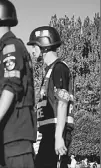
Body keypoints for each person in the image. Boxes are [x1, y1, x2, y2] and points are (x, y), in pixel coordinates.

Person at [0, 0, 37, 167]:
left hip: (16, 136)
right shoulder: (2, 50)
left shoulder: (11, 46)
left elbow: (12, 85)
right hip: (3, 137)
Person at [28, 26, 74, 168]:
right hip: (49, 133)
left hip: (57, 131)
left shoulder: (59, 68)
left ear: (44, 45)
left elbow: (62, 101)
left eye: (34, 46)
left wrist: (58, 137)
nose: (32, 50)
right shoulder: (49, 71)